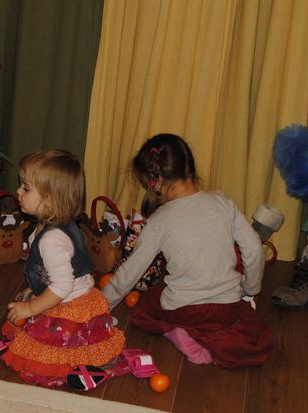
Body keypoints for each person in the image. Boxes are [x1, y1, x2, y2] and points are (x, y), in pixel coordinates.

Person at [102, 133, 274, 368]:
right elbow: (254, 250)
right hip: (227, 307)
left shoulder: (159, 220)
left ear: (156, 182)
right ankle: (202, 334)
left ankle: (179, 332)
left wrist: (100, 307)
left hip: (184, 309)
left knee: (144, 308)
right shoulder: (223, 202)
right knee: (250, 327)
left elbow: (129, 273)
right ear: (190, 169)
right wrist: (250, 289)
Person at [2, 150, 126, 387]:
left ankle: (90, 362)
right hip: (67, 292)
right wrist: (34, 290)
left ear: (50, 200)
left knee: (49, 352)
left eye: (26, 188)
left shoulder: (51, 240)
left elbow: (61, 286)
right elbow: (52, 273)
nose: (18, 191)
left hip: (69, 302)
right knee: (29, 310)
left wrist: (30, 308)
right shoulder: (51, 225)